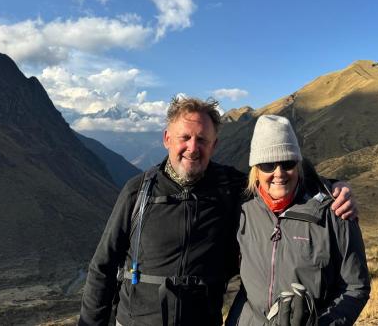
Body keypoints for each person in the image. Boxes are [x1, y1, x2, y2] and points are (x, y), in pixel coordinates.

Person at [78, 98, 358, 326]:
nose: (192, 148)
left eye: (202, 140)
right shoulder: (138, 191)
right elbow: (102, 267)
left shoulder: (230, 186)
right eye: (184, 137)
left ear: (214, 145)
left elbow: (276, 177)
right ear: (167, 139)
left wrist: (332, 186)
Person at [227, 115, 370, 326]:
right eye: (267, 164)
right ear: (255, 169)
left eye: (287, 163)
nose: (279, 173)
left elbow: (355, 287)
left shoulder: (334, 212)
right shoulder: (242, 207)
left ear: (299, 164)